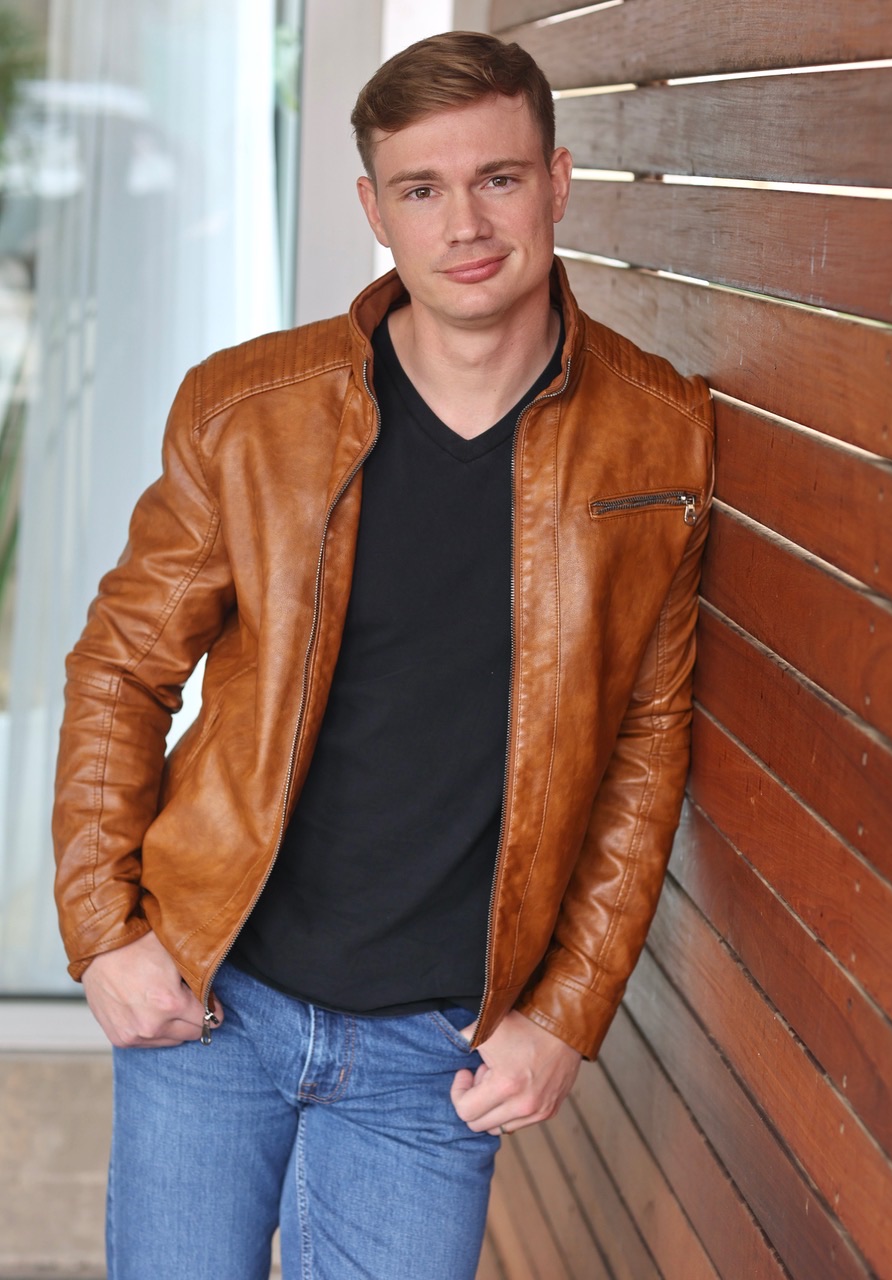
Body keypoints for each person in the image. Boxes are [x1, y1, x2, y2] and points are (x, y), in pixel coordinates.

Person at [52, 30, 714, 1280]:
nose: (464, 224)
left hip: (436, 1050)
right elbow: (122, 666)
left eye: (497, 179)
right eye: (421, 189)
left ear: (557, 182)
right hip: (214, 997)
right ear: (374, 209)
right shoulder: (249, 409)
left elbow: (644, 744)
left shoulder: (656, 437)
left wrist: (567, 1011)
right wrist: (103, 928)